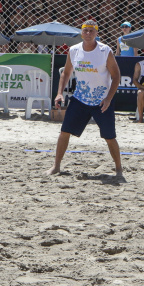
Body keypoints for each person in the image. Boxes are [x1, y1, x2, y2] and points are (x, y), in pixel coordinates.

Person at [48, 20, 124, 179]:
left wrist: (109, 99)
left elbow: (116, 76)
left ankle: (119, 169)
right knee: (64, 132)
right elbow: (66, 73)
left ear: (97, 33)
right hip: (80, 98)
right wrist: (59, 93)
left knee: (109, 137)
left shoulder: (105, 51)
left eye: (91, 30)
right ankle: (56, 166)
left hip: (102, 100)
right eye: (85, 31)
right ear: (81, 33)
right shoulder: (74, 50)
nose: (88, 33)